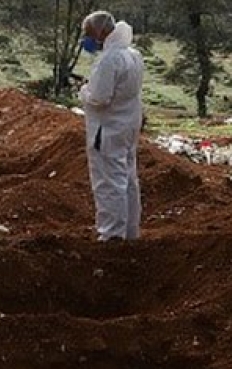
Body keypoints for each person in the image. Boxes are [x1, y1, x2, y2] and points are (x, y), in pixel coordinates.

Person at [78, 10, 144, 242]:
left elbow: (99, 97)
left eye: (88, 33)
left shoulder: (109, 60)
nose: (86, 39)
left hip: (106, 129)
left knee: (109, 182)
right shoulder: (133, 55)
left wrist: (84, 91)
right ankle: (129, 232)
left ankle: (111, 234)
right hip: (127, 126)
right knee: (127, 180)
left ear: (100, 32)